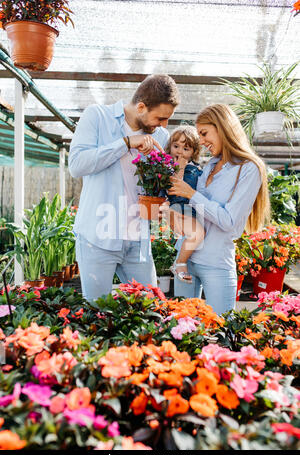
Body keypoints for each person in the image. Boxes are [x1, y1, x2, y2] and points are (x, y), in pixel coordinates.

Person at [68, 74, 180, 301]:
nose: (164, 125)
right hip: (97, 238)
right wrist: (126, 144)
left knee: (150, 308)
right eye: (160, 117)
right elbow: (77, 165)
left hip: (137, 239)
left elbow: (159, 182)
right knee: (96, 312)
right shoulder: (97, 117)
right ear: (141, 107)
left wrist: (163, 201)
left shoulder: (159, 134)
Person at [166, 103, 270, 316]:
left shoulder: (249, 168)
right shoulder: (210, 165)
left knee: (223, 331)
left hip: (215, 262)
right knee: (182, 330)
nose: (201, 142)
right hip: (184, 258)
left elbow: (229, 221)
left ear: (222, 127)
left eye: (204, 134)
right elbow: (193, 212)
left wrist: (191, 194)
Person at [164, 125, 204, 283]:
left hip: (191, 210)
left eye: (186, 148)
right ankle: (180, 264)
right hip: (177, 209)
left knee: (196, 235)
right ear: (170, 146)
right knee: (197, 234)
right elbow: (172, 188)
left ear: (194, 152)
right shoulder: (167, 167)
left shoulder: (195, 169)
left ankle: (180, 262)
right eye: (176, 146)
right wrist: (178, 168)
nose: (180, 151)